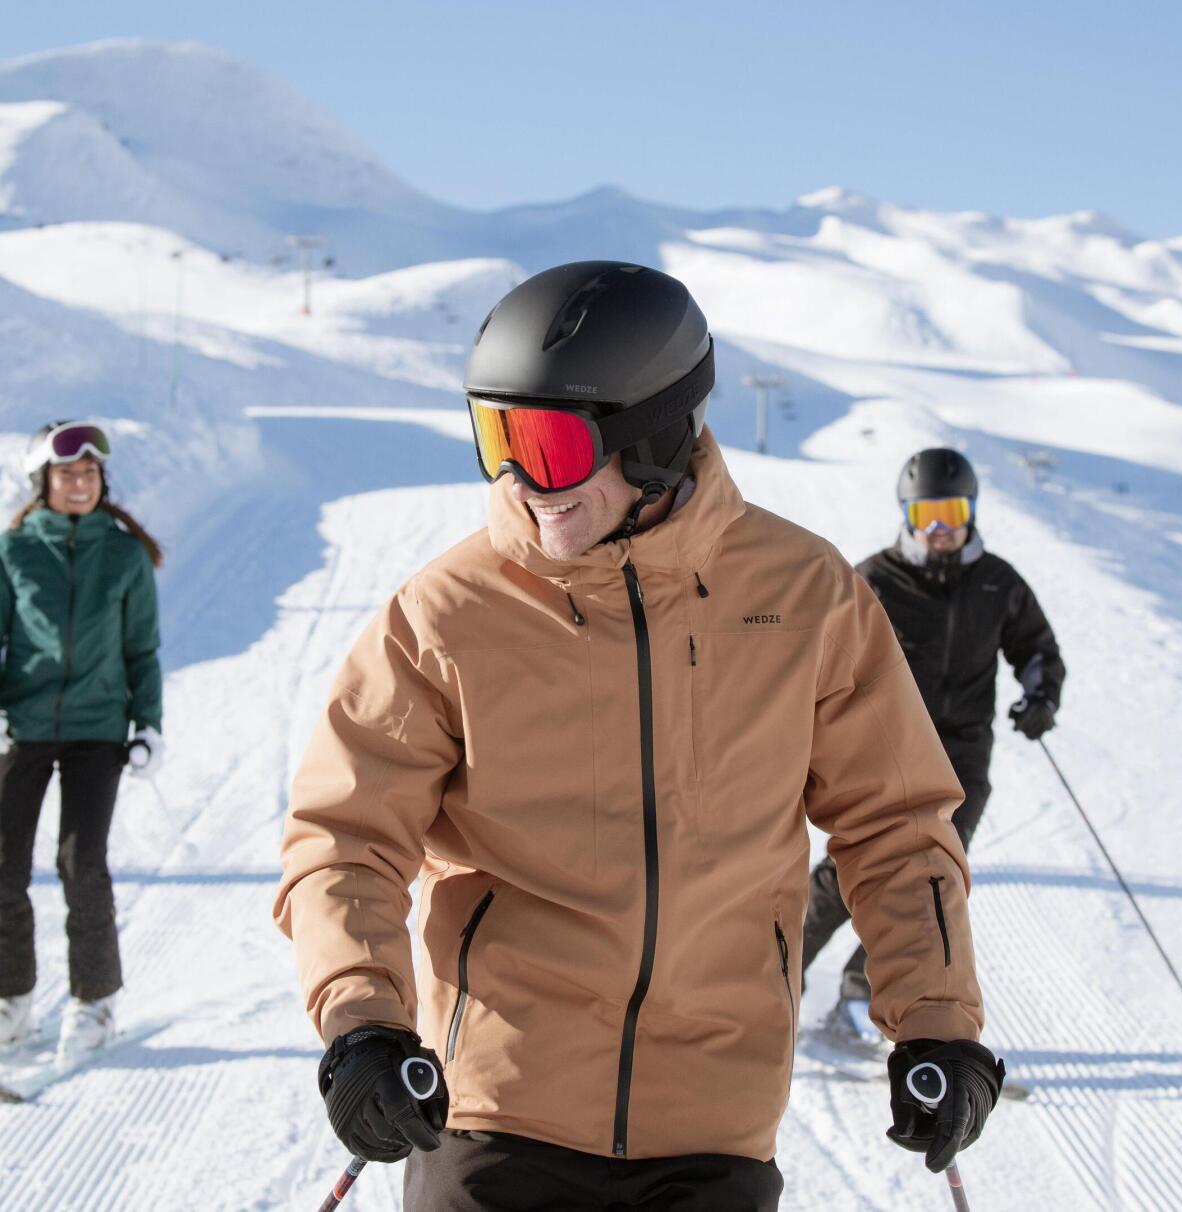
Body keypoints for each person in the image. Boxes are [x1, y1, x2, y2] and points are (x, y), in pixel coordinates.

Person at [274, 263, 1004, 1211]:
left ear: (655, 434)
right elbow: (345, 834)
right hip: (497, 1111)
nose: (518, 481)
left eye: (545, 444)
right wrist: (363, 1020)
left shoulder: (804, 595)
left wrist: (936, 1022)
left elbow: (896, 822)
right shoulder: (447, 613)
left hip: (714, 1120)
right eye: (494, 435)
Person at [804, 447, 1065, 1046]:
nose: (942, 529)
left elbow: (1037, 649)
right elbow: (820, 651)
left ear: (971, 510)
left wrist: (1040, 694)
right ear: (908, 515)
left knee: (930, 879)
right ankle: (775, 976)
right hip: (886, 744)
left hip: (964, 755)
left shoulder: (997, 581)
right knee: (853, 869)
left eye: (952, 512)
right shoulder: (875, 578)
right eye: (928, 515)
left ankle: (862, 989)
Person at [0, 420, 166, 1064]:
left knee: (82, 865)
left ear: (102, 480)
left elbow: (142, 649)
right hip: (20, 729)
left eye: (89, 473)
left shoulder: (125, 554)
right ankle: (10, 999)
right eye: (66, 474)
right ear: (42, 482)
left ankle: (94, 1000)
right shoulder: (12, 551)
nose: (79, 483)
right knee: (3, 869)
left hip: (97, 730)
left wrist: (148, 724)